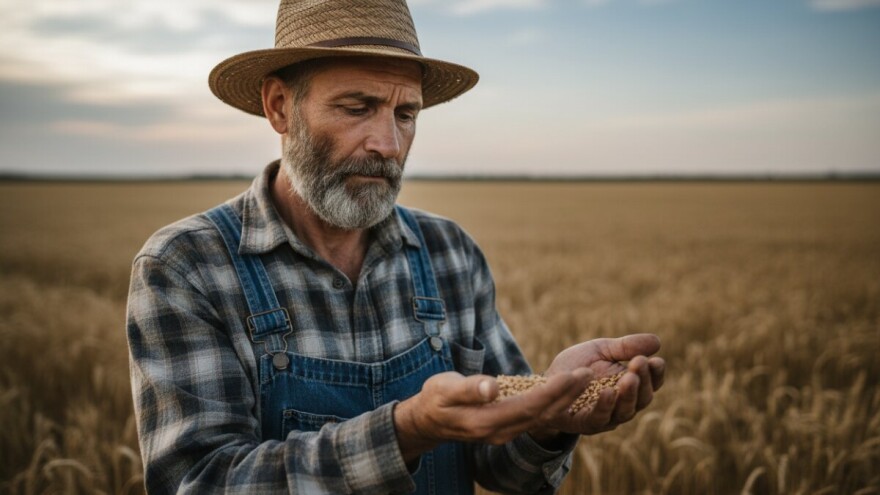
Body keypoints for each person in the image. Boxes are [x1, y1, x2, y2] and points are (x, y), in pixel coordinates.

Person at [125, 0, 666, 493]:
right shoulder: (187, 267)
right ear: (280, 107)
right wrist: (406, 431)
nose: (388, 144)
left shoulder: (449, 252)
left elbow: (502, 467)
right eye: (357, 108)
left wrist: (548, 416)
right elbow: (198, 482)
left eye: (405, 114)